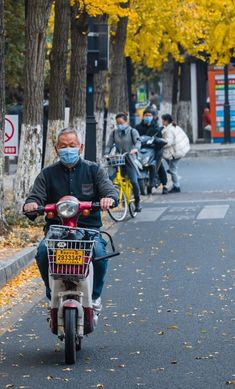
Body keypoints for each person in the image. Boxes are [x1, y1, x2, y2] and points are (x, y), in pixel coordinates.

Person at [23, 127, 118, 313]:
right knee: (43, 253)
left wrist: (109, 198)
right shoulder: (47, 174)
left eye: (72, 145)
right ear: (57, 148)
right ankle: (51, 294)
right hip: (56, 231)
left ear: (80, 148)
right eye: (63, 146)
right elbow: (35, 198)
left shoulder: (94, 170)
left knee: (99, 254)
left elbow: (109, 190)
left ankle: (96, 295)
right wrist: (32, 205)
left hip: (88, 231)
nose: (68, 149)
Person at [104, 112, 142, 212]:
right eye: (117, 123)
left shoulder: (132, 131)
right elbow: (109, 145)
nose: (119, 125)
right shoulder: (114, 133)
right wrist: (106, 153)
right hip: (118, 159)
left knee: (133, 181)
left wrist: (135, 149)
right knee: (110, 179)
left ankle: (137, 202)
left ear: (126, 121)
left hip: (129, 159)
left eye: (121, 122)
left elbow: (138, 141)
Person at [136, 107, 168, 193]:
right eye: (146, 115)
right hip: (141, 150)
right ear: (143, 116)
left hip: (153, 149)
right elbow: (135, 137)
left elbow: (160, 138)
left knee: (159, 165)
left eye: (149, 115)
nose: (147, 117)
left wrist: (156, 141)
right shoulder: (138, 127)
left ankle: (164, 185)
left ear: (153, 117)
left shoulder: (156, 127)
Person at [161, 113, 190, 193]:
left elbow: (168, 142)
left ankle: (176, 187)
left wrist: (160, 144)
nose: (162, 122)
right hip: (180, 149)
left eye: (163, 120)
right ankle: (172, 173)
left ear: (166, 121)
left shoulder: (169, 130)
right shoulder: (174, 126)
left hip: (176, 152)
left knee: (173, 169)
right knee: (171, 166)